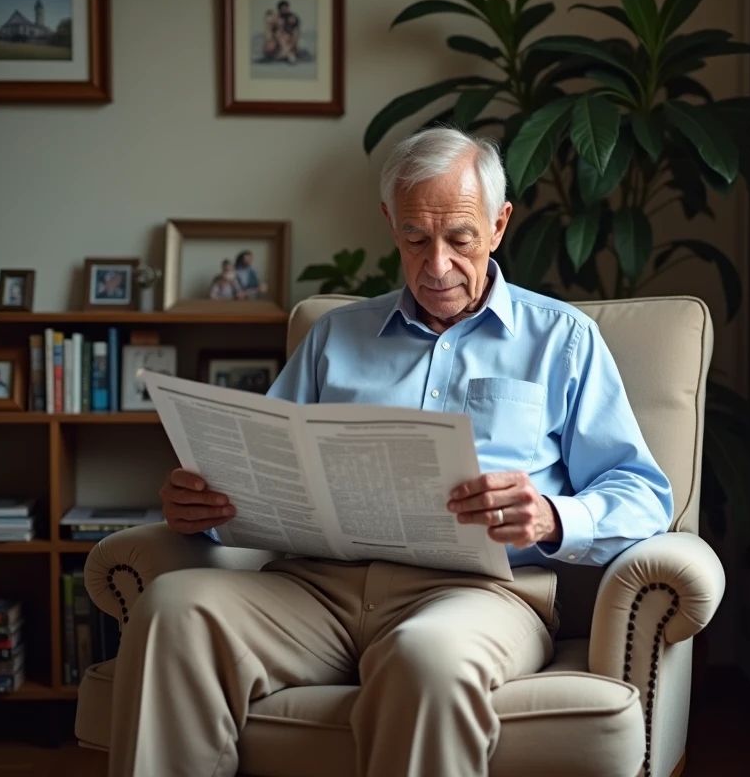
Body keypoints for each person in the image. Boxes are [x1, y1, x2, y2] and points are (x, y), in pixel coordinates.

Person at [114, 128, 673, 777]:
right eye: (414, 238)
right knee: (173, 609)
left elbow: (642, 492)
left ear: (499, 225)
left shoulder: (564, 341)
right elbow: (263, 465)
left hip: (479, 596)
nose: (436, 265)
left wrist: (552, 517)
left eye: (459, 238)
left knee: (426, 658)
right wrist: (204, 503)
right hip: (313, 590)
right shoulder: (334, 337)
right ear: (390, 224)